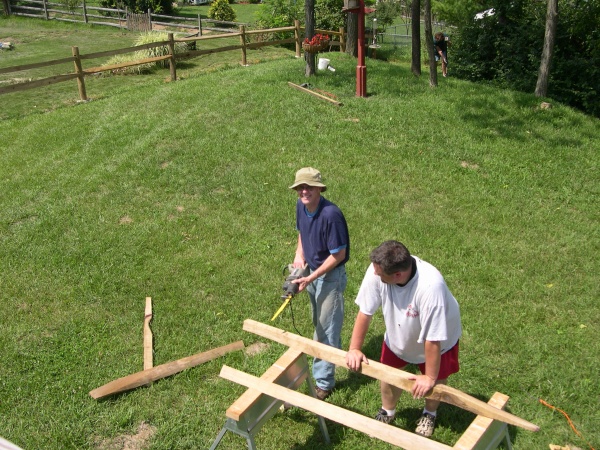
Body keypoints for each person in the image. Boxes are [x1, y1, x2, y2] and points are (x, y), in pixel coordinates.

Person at [345, 240, 461, 437]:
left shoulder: (431, 287)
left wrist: (429, 377)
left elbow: (433, 338)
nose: (375, 275)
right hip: (399, 334)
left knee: (435, 382)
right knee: (388, 374)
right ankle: (387, 411)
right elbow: (365, 311)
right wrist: (354, 348)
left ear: (398, 274)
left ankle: (429, 413)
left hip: (439, 339)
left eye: (380, 274)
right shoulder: (378, 269)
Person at [289, 167, 350, 400]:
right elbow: (302, 233)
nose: (304, 191)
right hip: (312, 273)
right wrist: (299, 255)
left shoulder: (331, 215)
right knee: (322, 323)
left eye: (309, 187)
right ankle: (334, 355)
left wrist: (311, 277)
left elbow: (339, 255)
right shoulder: (301, 206)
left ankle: (323, 383)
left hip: (330, 276)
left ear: (319, 189)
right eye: (300, 187)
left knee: (324, 331)